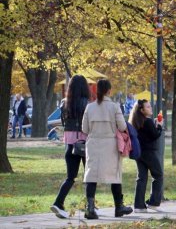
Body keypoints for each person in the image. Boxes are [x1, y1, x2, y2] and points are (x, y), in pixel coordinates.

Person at [82, 79, 132, 219]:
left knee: (91, 176)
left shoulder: (89, 107)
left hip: (93, 144)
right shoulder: (114, 107)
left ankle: (90, 208)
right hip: (110, 144)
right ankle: (119, 207)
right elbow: (122, 127)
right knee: (115, 176)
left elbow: (84, 129)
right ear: (109, 91)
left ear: (96, 90)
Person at [50, 75, 90, 219]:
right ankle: (89, 206)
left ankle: (58, 202)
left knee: (70, 177)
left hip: (69, 144)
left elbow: (63, 122)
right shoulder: (88, 103)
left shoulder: (64, 103)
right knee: (89, 176)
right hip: (85, 143)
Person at [129, 99, 164, 213]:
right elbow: (154, 135)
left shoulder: (136, 121)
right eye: (148, 107)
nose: (150, 108)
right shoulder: (147, 121)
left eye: (150, 106)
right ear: (142, 110)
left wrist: (155, 125)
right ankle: (153, 202)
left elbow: (146, 134)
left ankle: (139, 205)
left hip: (139, 153)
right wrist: (159, 126)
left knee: (142, 178)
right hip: (149, 152)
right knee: (158, 175)